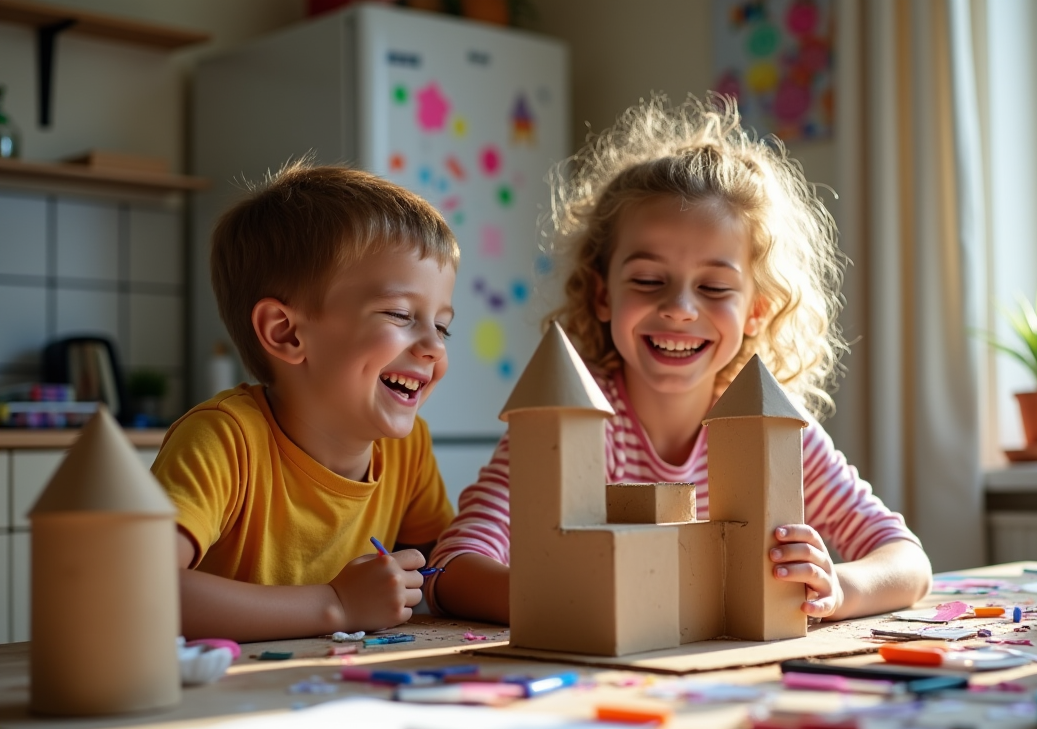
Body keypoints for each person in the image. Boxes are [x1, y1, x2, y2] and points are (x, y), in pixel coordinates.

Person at [428, 95, 932, 625]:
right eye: (649, 280)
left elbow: (907, 560)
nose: (680, 309)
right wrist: (579, 603)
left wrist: (839, 589)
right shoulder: (572, 423)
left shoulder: (777, 430)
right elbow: (452, 567)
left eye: (714, 287)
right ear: (602, 295)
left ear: (756, 311)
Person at [153, 162, 458, 642]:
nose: (434, 347)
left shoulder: (408, 448)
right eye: (400, 315)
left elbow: (445, 568)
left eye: (442, 326)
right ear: (287, 333)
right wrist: (335, 605)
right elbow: (140, 587)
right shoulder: (223, 440)